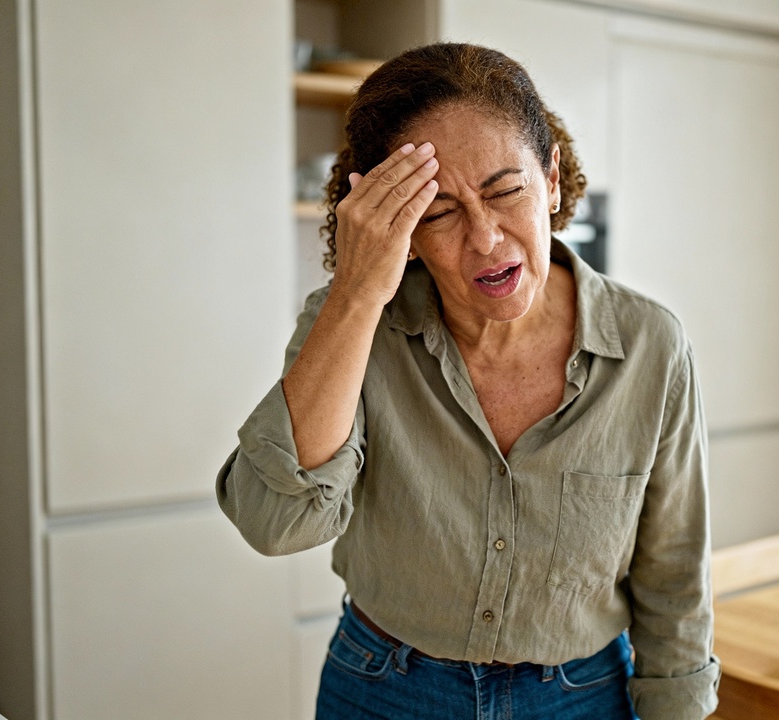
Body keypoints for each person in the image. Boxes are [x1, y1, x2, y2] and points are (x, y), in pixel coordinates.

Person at [217, 42, 719, 720]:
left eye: (505, 190)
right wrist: (358, 292)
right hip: (383, 690)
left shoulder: (650, 346)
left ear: (553, 178)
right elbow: (276, 522)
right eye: (436, 213)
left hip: (582, 699)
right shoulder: (357, 327)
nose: (485, 239)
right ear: (396, 228)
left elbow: (674, 575)